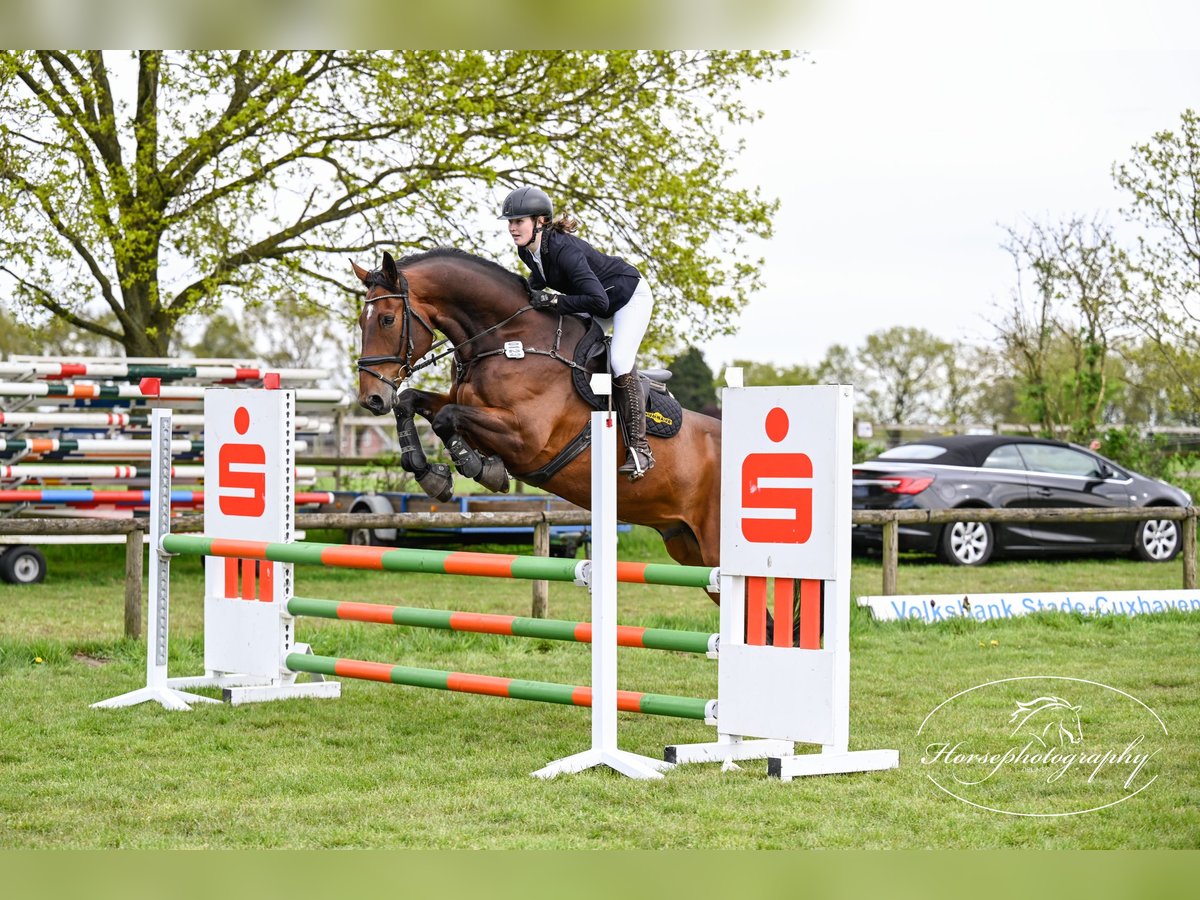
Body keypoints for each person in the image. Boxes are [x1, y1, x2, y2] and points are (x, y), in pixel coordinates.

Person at [499, 186, 656, 480]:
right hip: (596, 300)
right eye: (510, 222)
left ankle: (641, 447)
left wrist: (554, 301)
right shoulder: (526, 250)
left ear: (539, 221)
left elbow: (600, 302)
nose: (512, 227)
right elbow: (541, 278)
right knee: (567, 342)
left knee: (621, 361)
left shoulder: (564, 250)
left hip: (627, 297)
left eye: (518, 221)